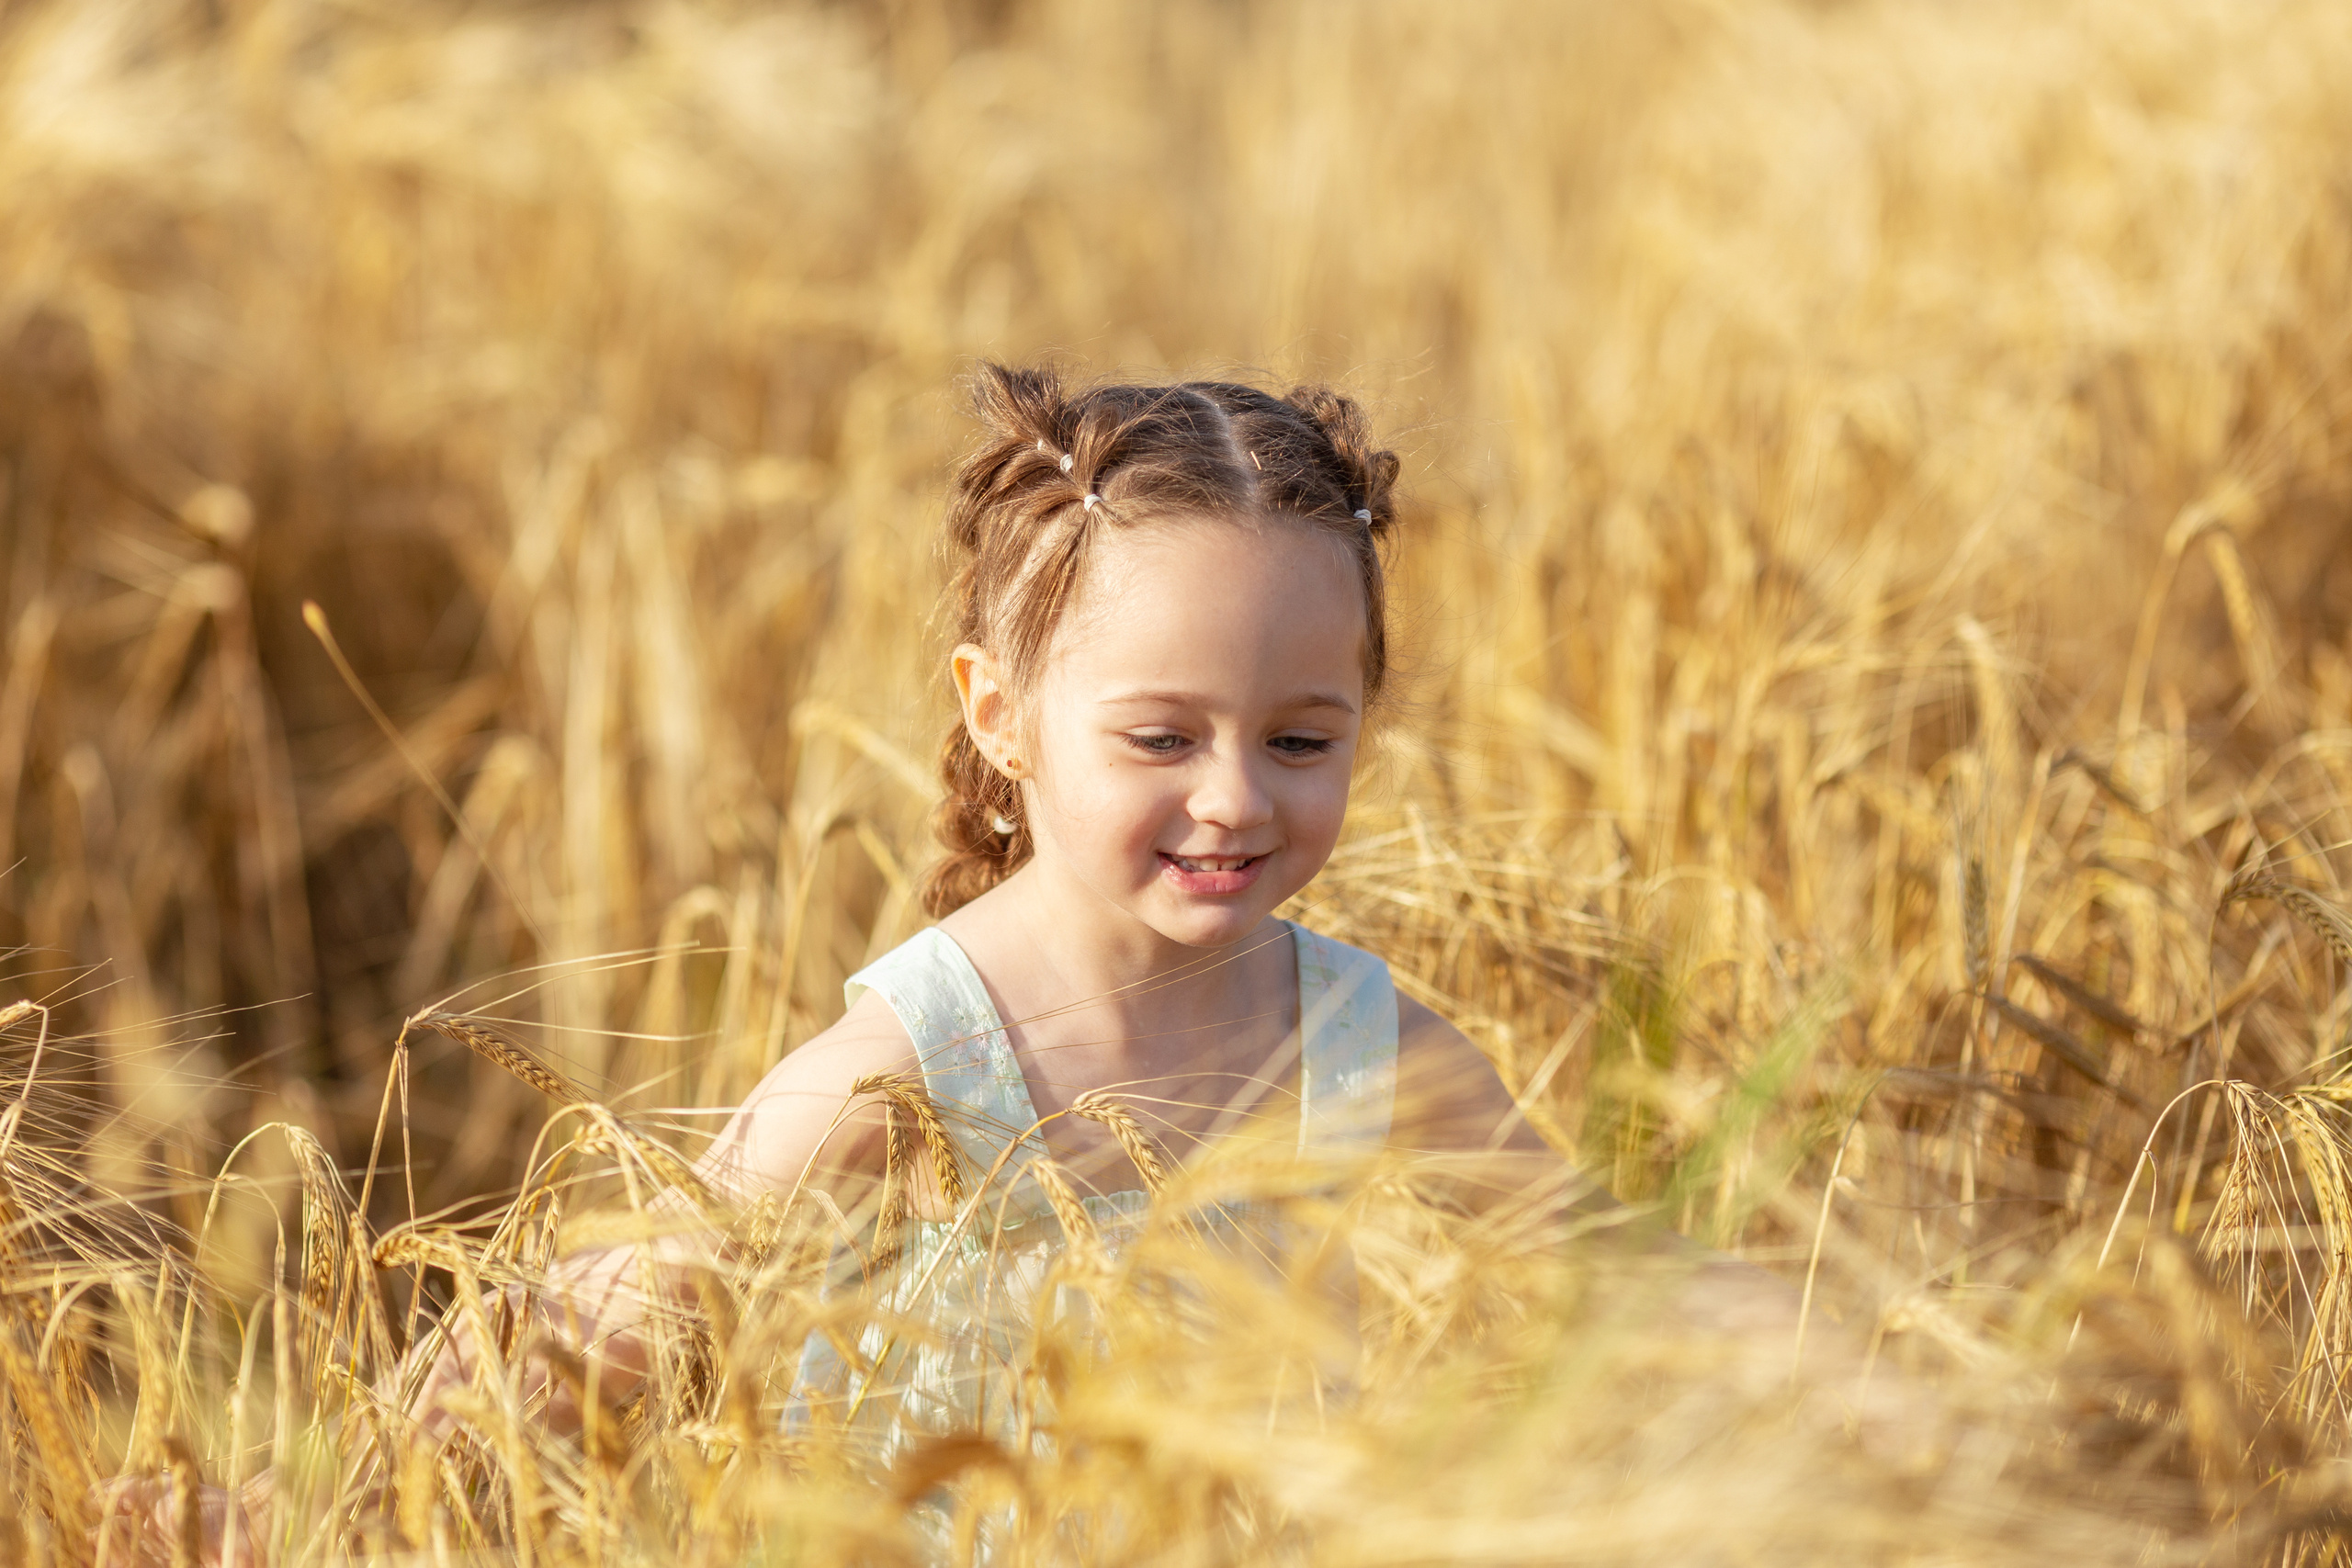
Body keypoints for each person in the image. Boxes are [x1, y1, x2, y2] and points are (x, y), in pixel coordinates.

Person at [102, 365, 1804, 1562]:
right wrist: (310, 1502)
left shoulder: (1358, 1039)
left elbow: (1598, 1254)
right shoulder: (917, 1063)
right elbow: (610, 1320)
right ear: (1002, 718)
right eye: (1160, 735)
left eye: (1302, 737)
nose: (1234, 797)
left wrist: (1877, 1369)